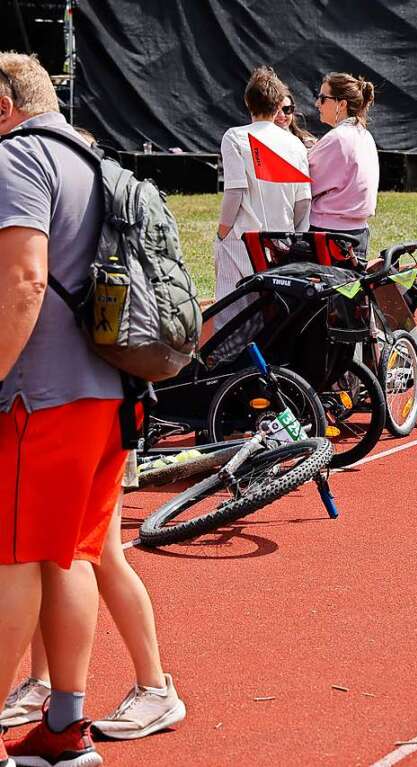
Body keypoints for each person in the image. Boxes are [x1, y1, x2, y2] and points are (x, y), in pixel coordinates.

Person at [0, 51, 126, 767]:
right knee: (69, 555)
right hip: (104, 386)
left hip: (36, 394)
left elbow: (23, 279)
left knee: (12, 559)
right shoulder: (91, 157)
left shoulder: (18, 160)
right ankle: (68, 725)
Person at [2, 493, 186, 740]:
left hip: (83, 455)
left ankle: (155, 689)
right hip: (97, 454)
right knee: (57, 552)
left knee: (83, 554)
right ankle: (47, 689)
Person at [214, 66, 311, 325]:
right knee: (274, 311)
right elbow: (304, 201)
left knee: (231, 310)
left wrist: (222, 232)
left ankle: (231, 361)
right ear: (279, 103)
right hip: (282, 241)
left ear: (248, 102)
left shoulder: (235, 137)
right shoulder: (296, 144)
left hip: (244, 239)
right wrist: (295, 235)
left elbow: (235, 191)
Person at [308, 72, 379, 262]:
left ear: (342, 104)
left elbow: (304, 184)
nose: (317, 104)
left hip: (328, 235)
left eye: (323, 99)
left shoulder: (338, 138)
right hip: (358, 233)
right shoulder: (364, 135)